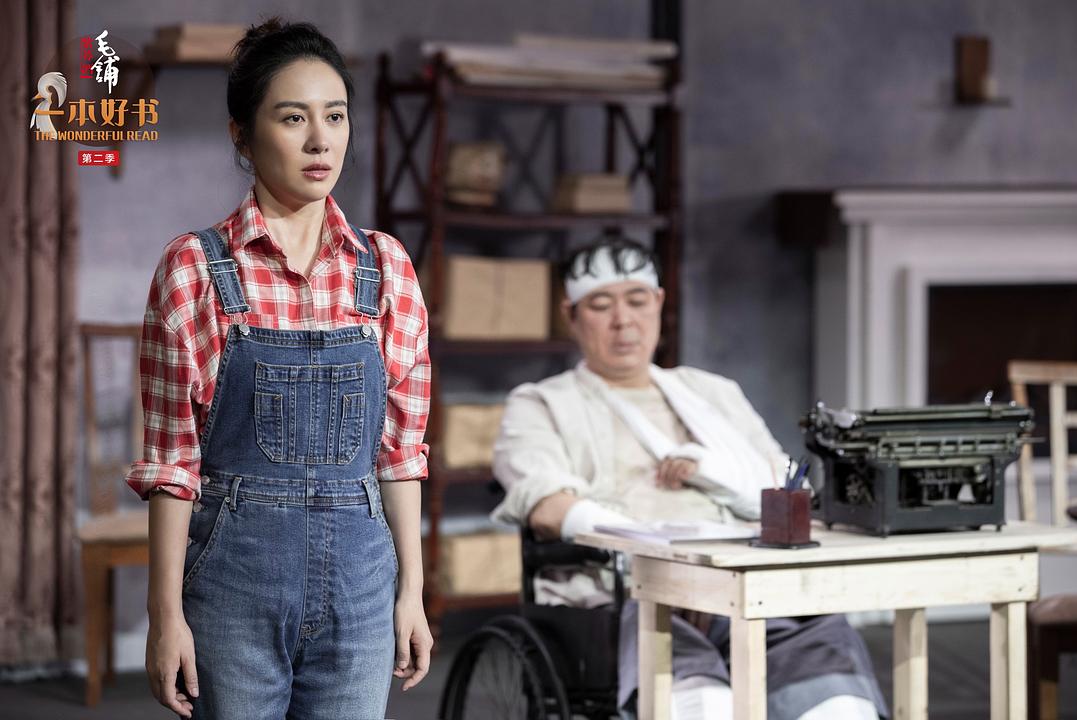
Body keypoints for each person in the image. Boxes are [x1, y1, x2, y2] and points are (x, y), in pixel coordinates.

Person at [125, 19, 432, 719]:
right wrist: (164, 615)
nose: (321, 140)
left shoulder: (385, 267)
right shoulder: (195, 268)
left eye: (335, 116)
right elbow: (172, 462)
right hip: (234, 588)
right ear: (242, 135)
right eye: (293, 118)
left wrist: (411, 592)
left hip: (361, 589)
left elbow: (401, 453)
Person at [491, 237, 888, 720]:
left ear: (659, 303)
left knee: (827, 663)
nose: (623, 321)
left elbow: (789, 489)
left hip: (743, 581)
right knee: (696, 692)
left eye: (637, 301)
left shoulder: (713, 393)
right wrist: (663, 561)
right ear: (570, 315)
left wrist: (716, 475)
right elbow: (547, 505)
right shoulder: (541, 403)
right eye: (600, 305)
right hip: (631, 591)